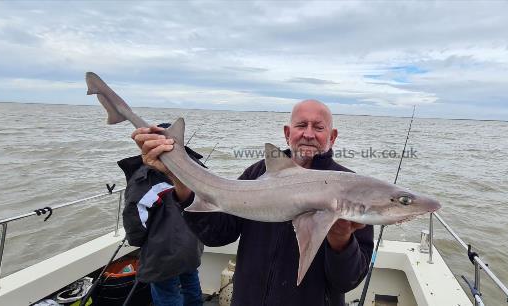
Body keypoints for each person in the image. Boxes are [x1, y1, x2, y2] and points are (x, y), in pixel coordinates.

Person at [132, 99, 374, 306]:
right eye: (301, 125)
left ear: (332, 137)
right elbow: (218, 234)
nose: (308, 134)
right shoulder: (258, 172)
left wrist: (341, 241)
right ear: (287, 133)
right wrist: (179, 179)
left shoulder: (351, 189)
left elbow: (347, 281)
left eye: (318, 127)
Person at [119, 123, 204, 306]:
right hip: (191, 247)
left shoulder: (144, 177)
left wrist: (137, 240)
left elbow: (135, 216)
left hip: (162, 252)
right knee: (191, 286)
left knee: (167, 295)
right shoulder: (197, 171)